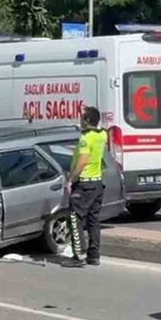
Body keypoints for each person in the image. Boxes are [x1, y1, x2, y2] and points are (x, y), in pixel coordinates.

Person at [63, 106, 107, 268]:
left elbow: (82, 160)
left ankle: (78, 256)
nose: (80, 120)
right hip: (97, 183)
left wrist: (71, 180)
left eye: (82, 118)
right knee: (94, 220)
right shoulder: (102, 134)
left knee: (75, 218)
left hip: (84, 184)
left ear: (87, 121)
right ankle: (94, 256)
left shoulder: (86, 138)